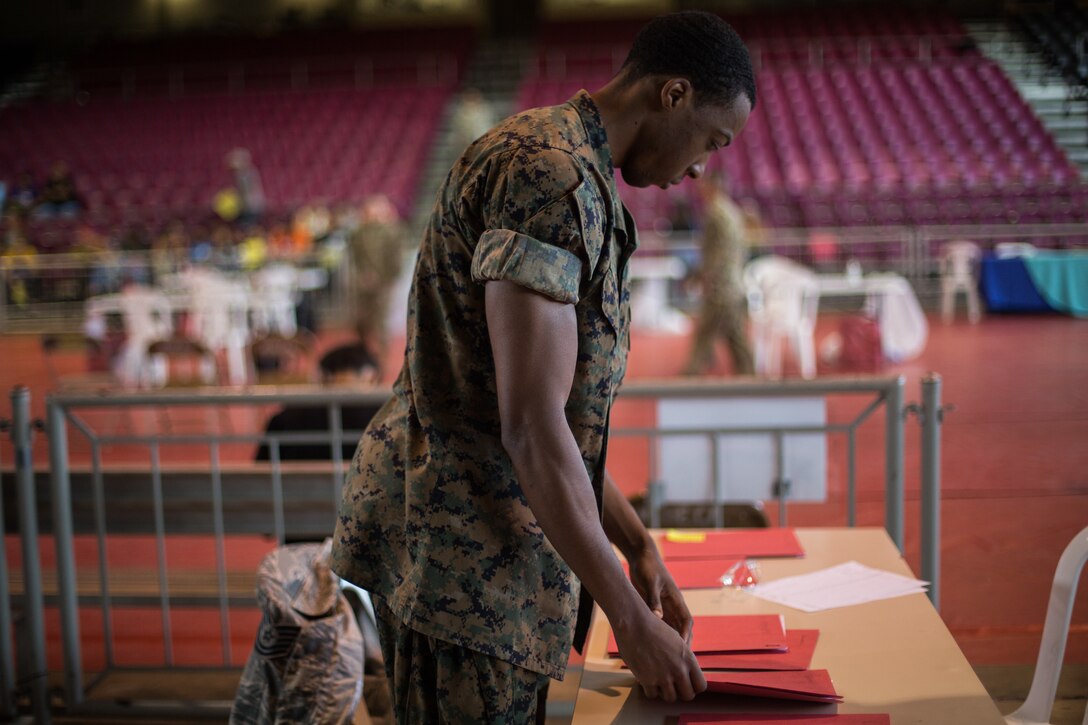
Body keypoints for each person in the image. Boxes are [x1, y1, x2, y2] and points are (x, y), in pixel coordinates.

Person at [331, 10, 755, 722]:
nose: (701, 167)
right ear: (673, 95)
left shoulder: (569, 165)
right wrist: (627, 614)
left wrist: (637, 544)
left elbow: (556, 418)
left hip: (479, 543)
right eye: (712, 140)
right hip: (461, 557)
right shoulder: (550, 177)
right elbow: (530, 424)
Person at [255, 343, 384, 462]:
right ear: (372, 377)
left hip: (291, 486)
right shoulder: (389, 419)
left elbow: (260, 472)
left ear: (322, 376)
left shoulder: (285, 419)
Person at [683, 174, 755, 376]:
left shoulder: (715, 213)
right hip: (731, 283)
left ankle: (690, 377)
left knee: (709, 335)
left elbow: (716, 253)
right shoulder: (731, 211)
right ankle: (749, 376)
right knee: (734, 336)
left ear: (712, 187)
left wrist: (703, 276)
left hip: (721, 286)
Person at [349, 194, 405, 359]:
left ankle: (381, 363)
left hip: (384, 283)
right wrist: (364, 275)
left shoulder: (392, 231)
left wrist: (384, 279)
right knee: (361, 322)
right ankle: (364, 354)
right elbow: (356, 256)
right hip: (364, 283)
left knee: (381, 324)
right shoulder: (359, 232)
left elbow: (395, 259)